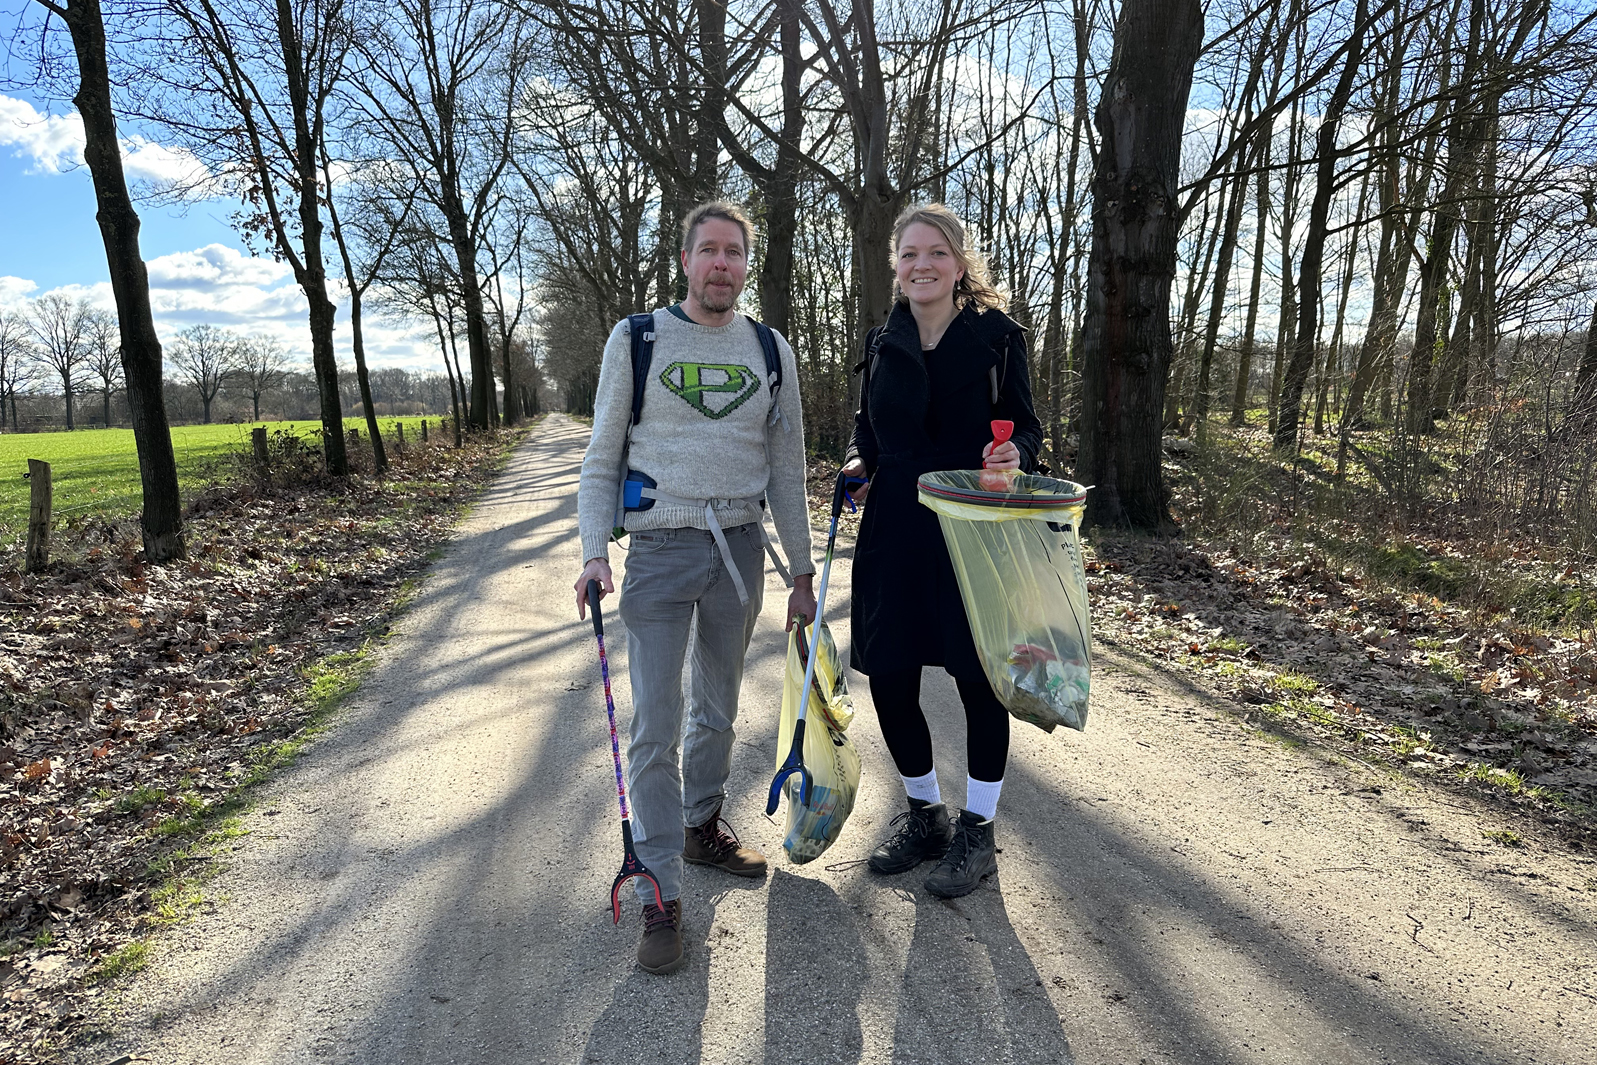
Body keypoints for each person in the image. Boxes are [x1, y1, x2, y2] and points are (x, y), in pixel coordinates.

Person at [574, 200, 816, 975]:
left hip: (741, 548)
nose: (721, 264)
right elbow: (601, 455)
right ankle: (658, 888)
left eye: (734, 253)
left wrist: (802, 572)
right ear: (684, 259)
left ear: (747, 265)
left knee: (717, 708)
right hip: (658, 548)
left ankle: (699, 824)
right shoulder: (637, 339)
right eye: (708, 250)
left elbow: (785, 472)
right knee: (656, 721)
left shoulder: (770, 349)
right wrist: (592, 553)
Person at [842, 203, 1042, 899]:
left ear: (959, 263)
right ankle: (924, 815)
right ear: (895, 266)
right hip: (894, 526)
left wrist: (1015, 451)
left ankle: (977, 831)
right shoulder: (880, 340)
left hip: (973, 525)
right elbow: (865, 437)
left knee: (977, 677)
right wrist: (855, 467)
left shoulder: (998, 338)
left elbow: (1029, 433)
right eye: (907, 254)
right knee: (890, 676)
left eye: (935, 252)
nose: (920, 264)